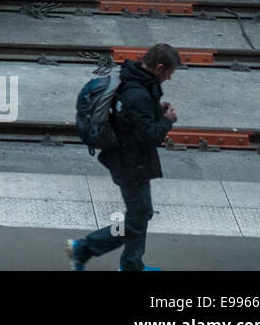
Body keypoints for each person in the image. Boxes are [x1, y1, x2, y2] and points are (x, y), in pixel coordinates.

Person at [68, 44, 181, 271]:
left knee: (140, 214)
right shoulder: (137, 93)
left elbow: (133, 118)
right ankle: (85, 248)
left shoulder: (135, 77)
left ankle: (131, 265)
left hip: (127, 157)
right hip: (131, 163)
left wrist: (155, 111)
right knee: (137, 220)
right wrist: (167, 120)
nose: (170, 77)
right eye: (170, 72)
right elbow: (149, 135)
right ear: (159, 67)